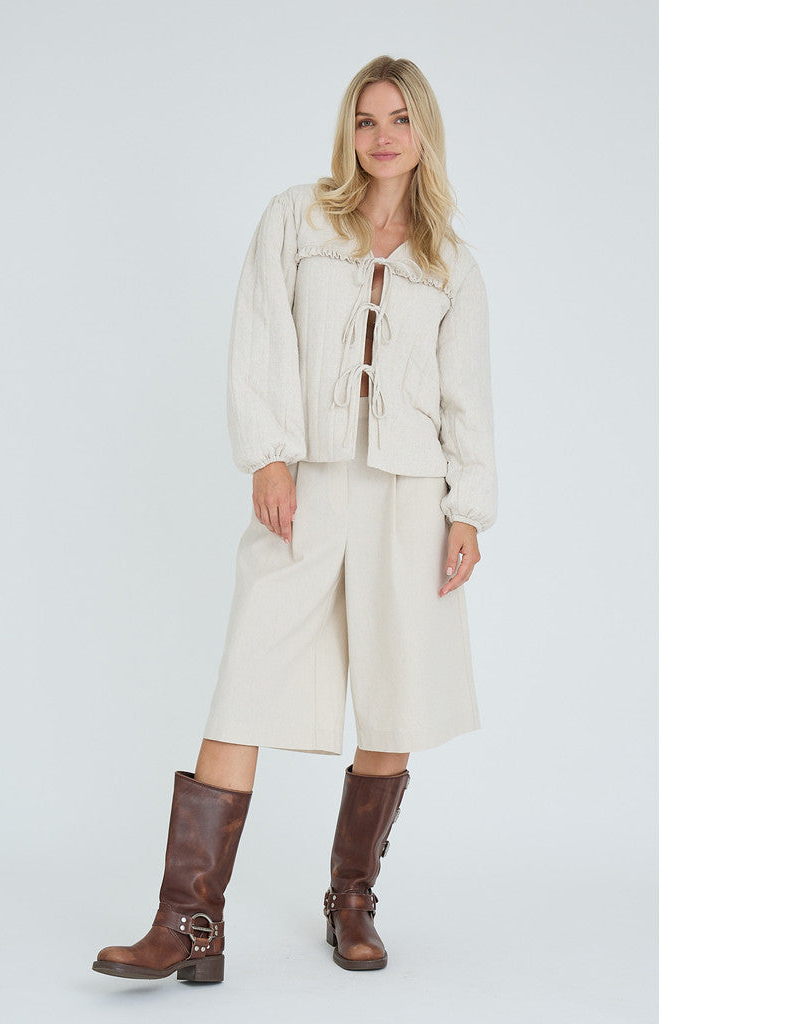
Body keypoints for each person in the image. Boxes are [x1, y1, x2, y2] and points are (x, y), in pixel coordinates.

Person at [92, 54, 498, 984]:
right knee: (247, 678)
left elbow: (467, 397)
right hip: (308, 485)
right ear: (348, 131)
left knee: (396, 690)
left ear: (424, 132)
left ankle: (351, 900)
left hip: (411, 496)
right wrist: (269, 453)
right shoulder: (299, 219)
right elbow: (260, 334)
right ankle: (189, 923)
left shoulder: (452, 264)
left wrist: (468, 509)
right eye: (366, 119)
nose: (382, 136)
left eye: (399, 119)